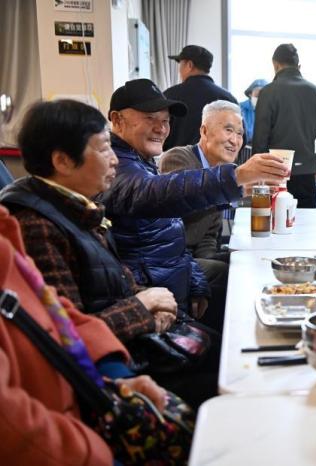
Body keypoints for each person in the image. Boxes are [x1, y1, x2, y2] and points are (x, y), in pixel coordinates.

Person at [100, 78, 287, 326]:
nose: (161, 128)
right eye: (150, 118)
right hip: (150, 294)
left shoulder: (142, 162)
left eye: (165, 121)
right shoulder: (116, 166)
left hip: (170, 279)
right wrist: (235, 177)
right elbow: (157, 193)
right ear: (117, 119)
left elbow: (176, 242)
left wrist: (196, 281)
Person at [0, 204, 170, 465]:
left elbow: (57, 313)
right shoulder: (35, 221)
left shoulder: (7, 231)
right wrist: (93, 452)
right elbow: (13, 429)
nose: (114, 163)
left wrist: (112, 379)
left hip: (82, 408)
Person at [0, 99, 178, 343]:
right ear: (62, 161)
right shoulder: (35, 227)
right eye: (104, 150)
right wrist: (143, 306)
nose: (115, 160)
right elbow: (68, 335)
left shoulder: (79, 208)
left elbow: (117, 283)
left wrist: (155, 302)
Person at [159, 100, 244, 331]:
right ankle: (223, 336)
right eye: (228, 130)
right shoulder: (178, 159)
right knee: (226, 272)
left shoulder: (218, 172)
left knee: (245, 260)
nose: (235, 140)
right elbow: (184, 205)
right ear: (204, 131)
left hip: (192, 256)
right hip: (170, 257)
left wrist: (216, 256)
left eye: (239, 133)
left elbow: (208, 235)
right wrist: (231, 183)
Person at [253, 43, 316, 208]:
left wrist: (259, 170)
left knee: (275, 219)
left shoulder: (268, 92)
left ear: (275, 65)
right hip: (306, 174)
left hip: (274, 173)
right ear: (299, 66)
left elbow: (260, 137)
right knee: (306, 221)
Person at [163, 45, 238, 150]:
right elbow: (240, 136)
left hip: (175, 159)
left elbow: (159, 131)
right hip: (217, 160)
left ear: (189, 65)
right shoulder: (227, 98)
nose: (179, 70)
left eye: (180, 64)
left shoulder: (170, 95)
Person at [240, 78, 268, 145]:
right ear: (250, 94)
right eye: (257, 95)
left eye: (264, 96)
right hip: (244, 146)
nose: (260, 98)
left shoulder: (270, 111)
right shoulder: (240, 109)